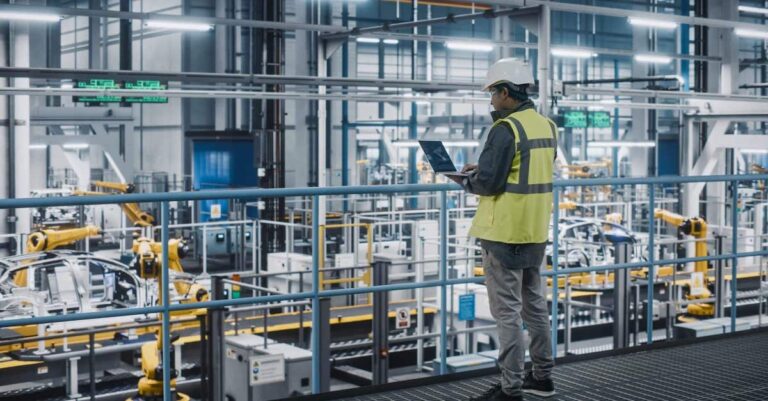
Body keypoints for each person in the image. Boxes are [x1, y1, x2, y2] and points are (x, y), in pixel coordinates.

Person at [453, 58, 557, 401]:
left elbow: (489, 183)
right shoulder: (546, 126)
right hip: (535, 231)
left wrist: (469, 179)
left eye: (493, 93)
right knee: (535, 308)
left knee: (508, 314)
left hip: (503, 234)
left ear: (505, 92)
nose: (491, 100)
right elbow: (524, 169)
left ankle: (511, 388)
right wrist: (484, 168)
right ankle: (542, 378)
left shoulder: (505, 129)